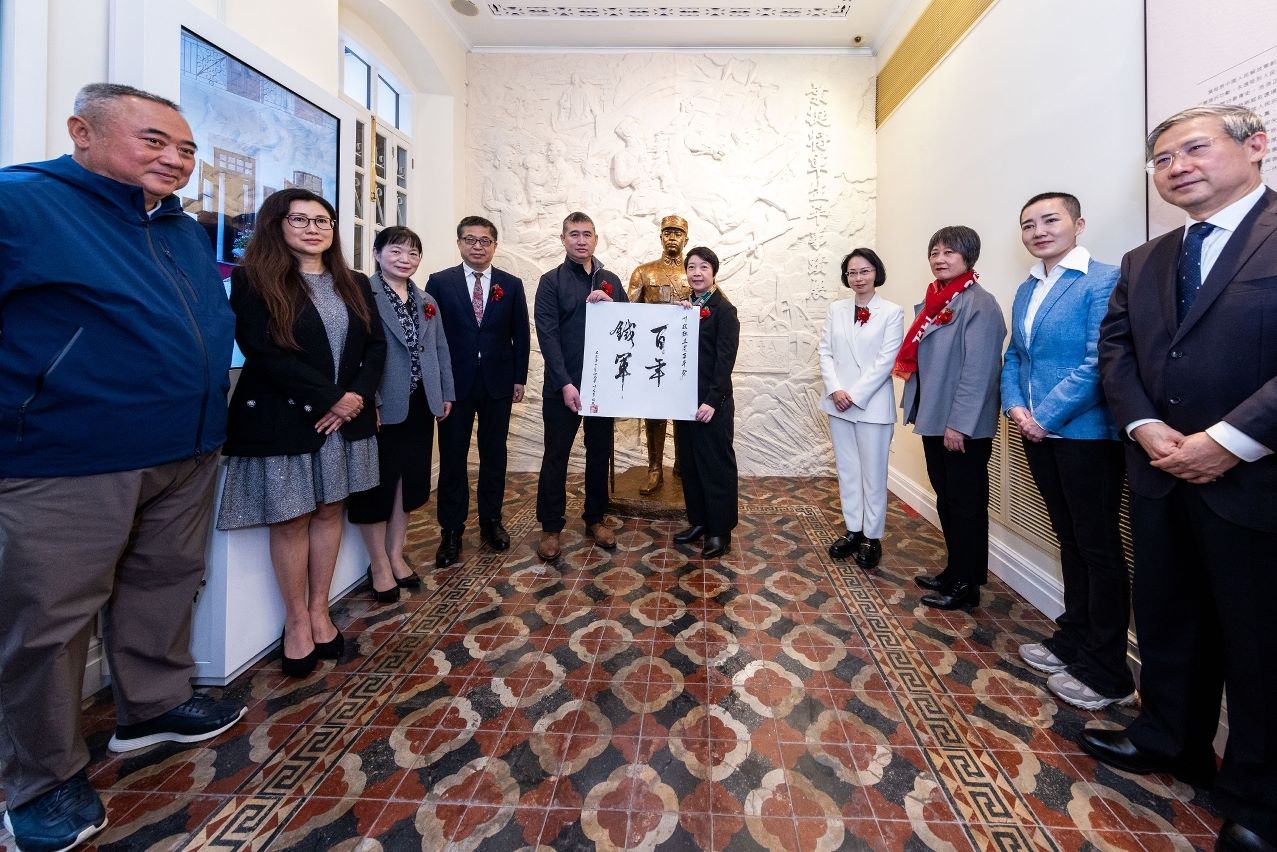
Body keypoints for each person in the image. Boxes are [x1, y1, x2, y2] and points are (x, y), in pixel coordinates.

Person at [0, 83, 245, 852]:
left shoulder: (179, 227)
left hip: (185, 446)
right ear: (83, 131)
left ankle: (153, 706)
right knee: (47, 621)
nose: (175, 159)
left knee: (165, 581)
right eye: (154, 141)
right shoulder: (21, 204)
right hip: (69, 458)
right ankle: (40, 780)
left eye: (186, 149)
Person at [1092, 104, 1277, 852]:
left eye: (1193, 149)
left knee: (1259, 642)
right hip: (1159, 470)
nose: (1176, 168)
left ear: (1255, 145)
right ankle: (1168, 736)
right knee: (1168, 617)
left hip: (1255, 480)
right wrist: (1142, 425)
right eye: (1163, 160)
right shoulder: (1146, 259)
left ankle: (1260, 799)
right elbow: (1117, 350)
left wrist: (1230, 440)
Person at [216, 188, 386, 679]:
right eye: (301, 220)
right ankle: (295, 621)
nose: (314, 229)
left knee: (330, 510)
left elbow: (375, 347)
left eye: (322, 221)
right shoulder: (253, 280)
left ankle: (318, 609)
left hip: (343, 421)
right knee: (291, 517)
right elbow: (261, 349)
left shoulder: (353, 282)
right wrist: (329, 398)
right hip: (287, 417)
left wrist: (354, 397)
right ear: (277, 225)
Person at [1000, 193, 1134, 711]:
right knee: (1070, 539)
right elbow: (1016, 356)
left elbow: (1099, 361)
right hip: (1034, 431)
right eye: (1028, 224)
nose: (1038, 231)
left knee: (1098, 547)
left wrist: (1045, 417)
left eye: (1050, 220)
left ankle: (1107, 669)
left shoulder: (1103, 279)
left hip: (1085, 435)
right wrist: (1016, 408)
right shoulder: (1027, 287)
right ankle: (1073, 637)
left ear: (1078, 224)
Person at [897, 226, 1006, 610]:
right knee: (948, 499)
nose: (940, 259)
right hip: (935, 417)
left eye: (949, 252)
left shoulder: (980, 304)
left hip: (960, 425)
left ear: (968, 257)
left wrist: (959, 423)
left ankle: (967, 584)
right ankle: (955, 569)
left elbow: (979, 372)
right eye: (935, 252)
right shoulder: (937, 301)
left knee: (966, 504)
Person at [348, 226, 453, 602]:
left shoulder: (425, 299)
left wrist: (445, 392)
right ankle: (378, 564)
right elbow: (355, 353)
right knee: (377, 484)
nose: (405, 259)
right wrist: (369, 401)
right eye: (395, 251)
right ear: (377, 254)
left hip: (421, 403)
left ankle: (395, 554)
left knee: (407, 483)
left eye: (412, 253)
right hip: (381, 405)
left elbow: (439, 349)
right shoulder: (363, 294)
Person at [426, 216, 529, 568]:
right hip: (455, 384)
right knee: (453, 457)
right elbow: (432, 336)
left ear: (495, 246)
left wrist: (519, 377)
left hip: (498, 382)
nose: (477, 246)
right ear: (459, 243)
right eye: (470, 239)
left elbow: (520, 335)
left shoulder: (510, 285)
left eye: (485, 240)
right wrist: (438, 382)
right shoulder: (440, 283)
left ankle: (491, 521)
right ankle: (451, 531)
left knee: (494, 454)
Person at [534, 212, 628, 562]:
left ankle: (595, 518)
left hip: (603, 386)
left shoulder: (610, 280)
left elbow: (629, 325)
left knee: (599, 453)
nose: (581, 240)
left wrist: (613, 306)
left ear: (596, 239)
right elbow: (547, 336)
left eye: (587, 234)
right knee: (556, 455)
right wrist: (564, 383)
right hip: (564, 388)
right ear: (563, 239)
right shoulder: (550, 281)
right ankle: (551, 527)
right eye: (573, 234)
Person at [819, 248, 905, 569]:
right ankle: (853, 529)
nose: (858, 278)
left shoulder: (892, 312)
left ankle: (872, 536)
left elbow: (886, 360)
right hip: (838, 403)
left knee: (873, 473)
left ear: (876, 273)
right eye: (852, 272)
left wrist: (854, 395)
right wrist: (836, 390)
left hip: (872, 405)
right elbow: (825, 351)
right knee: (848, 471)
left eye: (865, 271)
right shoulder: (836, 309)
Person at [672, 247, 740, 558]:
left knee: (716, 467)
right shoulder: (685, 308)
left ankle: (720, 531)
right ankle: (698, 521)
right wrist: (677, 318)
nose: (696, 273)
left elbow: (725, 362)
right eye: (691, 267)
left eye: (703, 267)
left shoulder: (724, 310)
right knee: (690, 464)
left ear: (713, 272)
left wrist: (712, 401)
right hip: (684, 402)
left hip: (713, 404)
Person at [627, 215, 692, 494]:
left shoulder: (695, 272)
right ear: (661, 237)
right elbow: (627, 312)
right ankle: (654, 468)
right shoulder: (644, 272)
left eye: (678, 232)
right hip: (652, 355)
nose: (672, 237)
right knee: (654, 412)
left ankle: (683, 464)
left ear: (686, 238)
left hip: (684, 356)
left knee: (684, 413)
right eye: (667, 232)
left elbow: (715, 306)